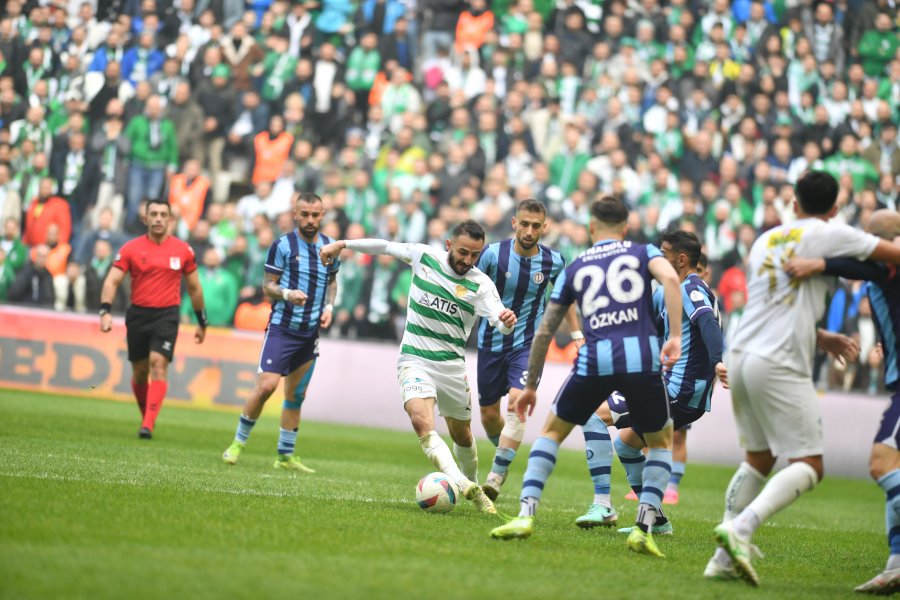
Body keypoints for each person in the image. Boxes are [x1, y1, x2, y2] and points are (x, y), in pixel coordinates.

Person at [705, 171, 900, 586]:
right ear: (835, 208)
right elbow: (890, 255)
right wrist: (829, 261)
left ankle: (721, 559)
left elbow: (775, 304)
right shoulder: (831, 233)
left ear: (793, 203)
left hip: (741, 354)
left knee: (758, 459)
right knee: (810, 464)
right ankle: (741, 530)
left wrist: (822, 336)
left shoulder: (765, 240)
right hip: (780, 360)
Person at [489, 196, 683, 560]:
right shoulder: (643, 252)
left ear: (592, 228)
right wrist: (674, 335)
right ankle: (644, 529)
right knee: (659, 444)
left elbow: (546, 329)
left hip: (595, 358)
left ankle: (525, 515)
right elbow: (671, 278)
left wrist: (529, 386)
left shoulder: (576, 265)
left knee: (551, 433)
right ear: (625, 228)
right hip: (641, 357)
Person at [318, 220, 518, 514]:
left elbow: (501, 324)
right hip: (414, 359)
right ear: (449, 245)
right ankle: (464, 485)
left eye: (475, 255)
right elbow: (384, 247)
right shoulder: (424, 256)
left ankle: (473, 483)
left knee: (462, 435)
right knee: (421, 422)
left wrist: (507, 323)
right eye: (463, 252)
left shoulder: (481, 285)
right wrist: (343, 244)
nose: (467, 260)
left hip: (451, 367)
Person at [576, 230, 727, 532]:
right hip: (670, 387)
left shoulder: (691, 288)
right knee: (626, 445)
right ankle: (655, 521)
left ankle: (603, 504)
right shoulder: (670, 291)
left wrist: (717, 362)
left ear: (680, 260)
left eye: (663, 253)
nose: (656, 257)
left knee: (593, 415)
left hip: (679, 390)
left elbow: (708, 322)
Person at [782, 210, 900, 594]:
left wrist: (819, 263)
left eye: (871, 235)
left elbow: (858, 266)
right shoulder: (883, 272)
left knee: (882, 464)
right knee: (893, 466)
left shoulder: (887, 264)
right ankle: (896, 564)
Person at [222, 192, 339, 472]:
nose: (310, 220)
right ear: (295, 214)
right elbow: (267, 286)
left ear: (323, 216)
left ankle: (285, 456)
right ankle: (237, 443)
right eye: (305, 214)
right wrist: (287, 293)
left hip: (309, 332)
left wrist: (329, 307)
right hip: (282, 328)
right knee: (266, 386)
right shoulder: (282, 245)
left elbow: (332, 281)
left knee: (296, 395)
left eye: (315, 215)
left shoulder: (330, 247)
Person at [475, 198, 582, 501]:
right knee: (489, 416)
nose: (529, 231)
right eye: (524, 224)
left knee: (517, 402)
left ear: (544, 227)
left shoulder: (554, 260)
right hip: (490, 343)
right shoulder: (492, 254)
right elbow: (472, 290)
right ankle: (504, 452)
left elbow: (565, 298)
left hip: (528, 345)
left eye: (536, 226)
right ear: (514, 223)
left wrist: (577, 334)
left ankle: (496, 475)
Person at [100, 199, 207, 439]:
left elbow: (195, 288)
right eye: (154, 214)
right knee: (139, 371)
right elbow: (112, 281)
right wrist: (105, 311)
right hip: (138, 314)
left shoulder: (183, 250)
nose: (158, 219)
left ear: (170, 219)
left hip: (167, 315)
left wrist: (202, 322)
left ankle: (147, 425)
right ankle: (147, 418)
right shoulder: (130, 248)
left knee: (158, 363)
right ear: (145, 218)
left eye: (163, 214)